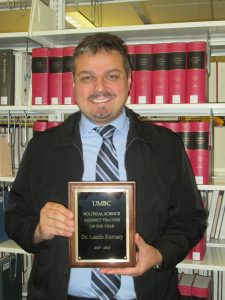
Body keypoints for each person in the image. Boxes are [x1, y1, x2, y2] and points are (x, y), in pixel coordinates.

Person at [5, 32, 207, 300]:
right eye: (87, 77)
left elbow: (191, 219)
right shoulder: (42, 147)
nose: (99, 87)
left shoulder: (165, 146)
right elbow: (15, 218)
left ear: (129, 80)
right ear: (74, 84)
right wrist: (38, 229)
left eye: (111, 75)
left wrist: (157, 254)